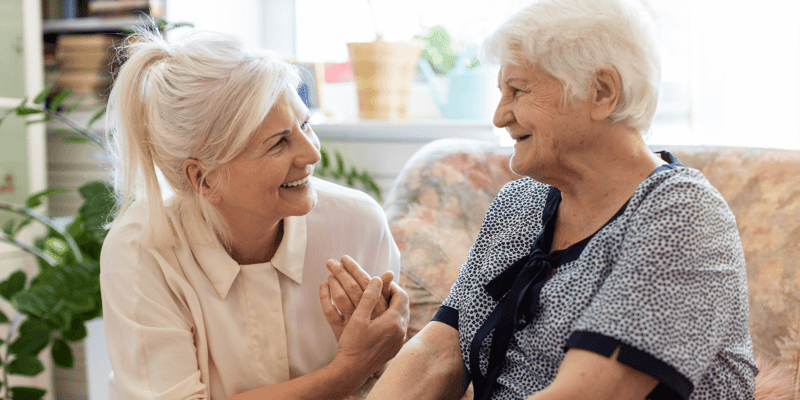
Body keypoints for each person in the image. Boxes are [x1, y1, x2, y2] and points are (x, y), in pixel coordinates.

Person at [366, 0, 758, 399]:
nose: (500, 116)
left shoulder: (682, 215)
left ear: (602, 91)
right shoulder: (521, 203)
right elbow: (438, 352)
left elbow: (593, 393)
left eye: (518, 90)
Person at [99, 25, 408, 400]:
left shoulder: (357, 224)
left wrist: (378, 364)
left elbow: (394, 379)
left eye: (305, 125)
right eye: (279, 143)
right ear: (204, 178)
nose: (312, 154)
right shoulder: (141, 250)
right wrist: (349, 369)